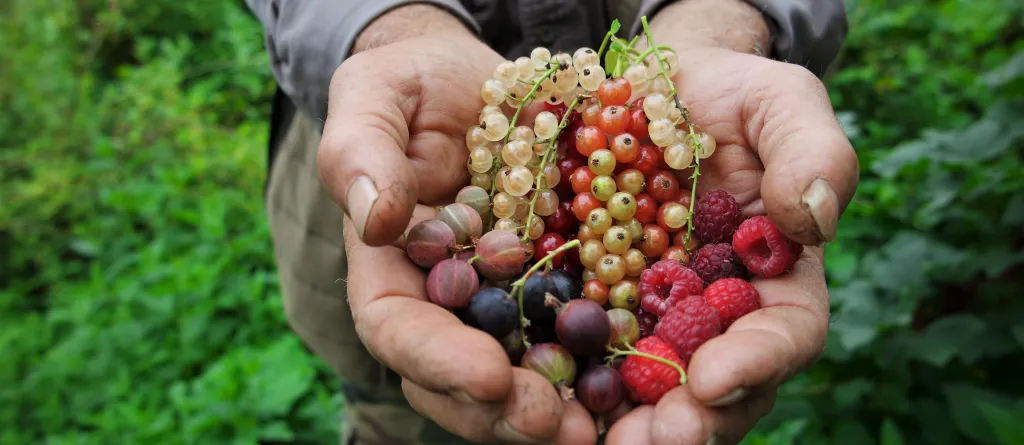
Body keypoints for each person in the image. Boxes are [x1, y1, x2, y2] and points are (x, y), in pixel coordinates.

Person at [244, 0, 859, 444]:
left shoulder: (664, 150)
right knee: (405, 404)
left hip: (675, 157)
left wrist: (723, 16)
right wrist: (388, 24)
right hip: (415, 156)